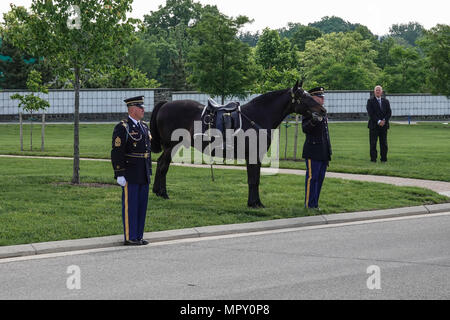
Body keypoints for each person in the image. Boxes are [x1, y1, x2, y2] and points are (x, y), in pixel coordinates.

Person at [111, 96, 152, 246]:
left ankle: (138, 236)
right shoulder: (123, 127)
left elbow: (147, 151)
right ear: (133, 109)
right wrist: (119, 173)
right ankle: (130, 237)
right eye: (141, 108)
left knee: (141, 205)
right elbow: (117, 152)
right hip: (130, 172)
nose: (143, 110)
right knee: (131, 206)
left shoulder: (144, 126)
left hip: (143, 172)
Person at [302, 87, 332, 209]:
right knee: (312, 178)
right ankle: (309, 204)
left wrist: (329, 151)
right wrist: (314, 120)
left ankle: (315, 204)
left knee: (320, 178)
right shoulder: (308, 111)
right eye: (320, 97)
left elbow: (326, 134)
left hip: (323, 150)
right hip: (313, 150)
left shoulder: (323, 111)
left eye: (322, 96)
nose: (322, 98)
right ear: (313, 98)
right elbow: (305, 129)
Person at [366, 85, 392, 163]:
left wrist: (384, 120)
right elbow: (371, 113)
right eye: (376, 90)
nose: (378, 91)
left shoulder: (386, 101)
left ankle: (384, 159)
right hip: (374, 126)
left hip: (384, 126)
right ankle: (373, 159)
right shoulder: (370, 101)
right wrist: (378, 121)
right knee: (373, 143)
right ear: (374, 92)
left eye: (379, 90)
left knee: (384, 143)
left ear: (381, 92)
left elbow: (389, 112)